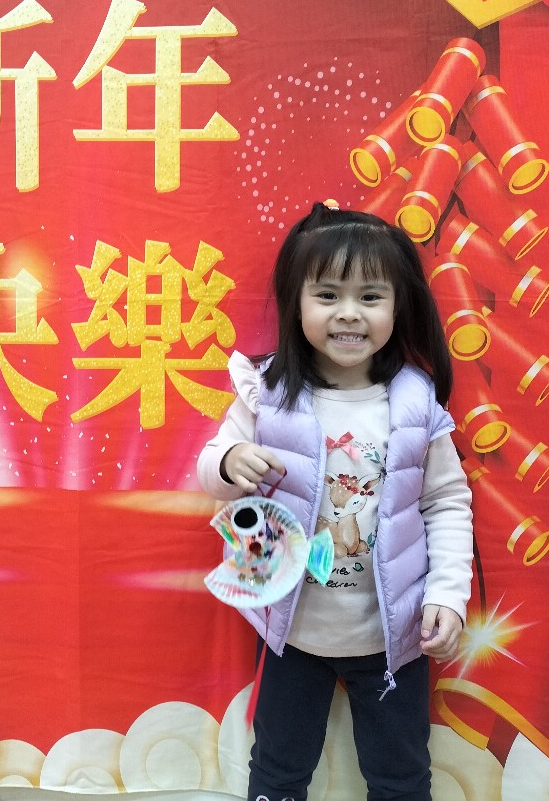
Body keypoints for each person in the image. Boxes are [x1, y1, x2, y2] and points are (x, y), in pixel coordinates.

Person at [197, 203, 473, 801]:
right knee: (277, 770)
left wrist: (448, 595)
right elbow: (210, 470)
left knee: (401, 778)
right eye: (327, 295)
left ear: (398, 306)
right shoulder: (268, 391)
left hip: (393, 640)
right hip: (289, 632)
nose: (349, 313)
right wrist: (229, 461)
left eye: (370, 296)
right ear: (296, 302)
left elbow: (448, 502)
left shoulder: (414, 401)